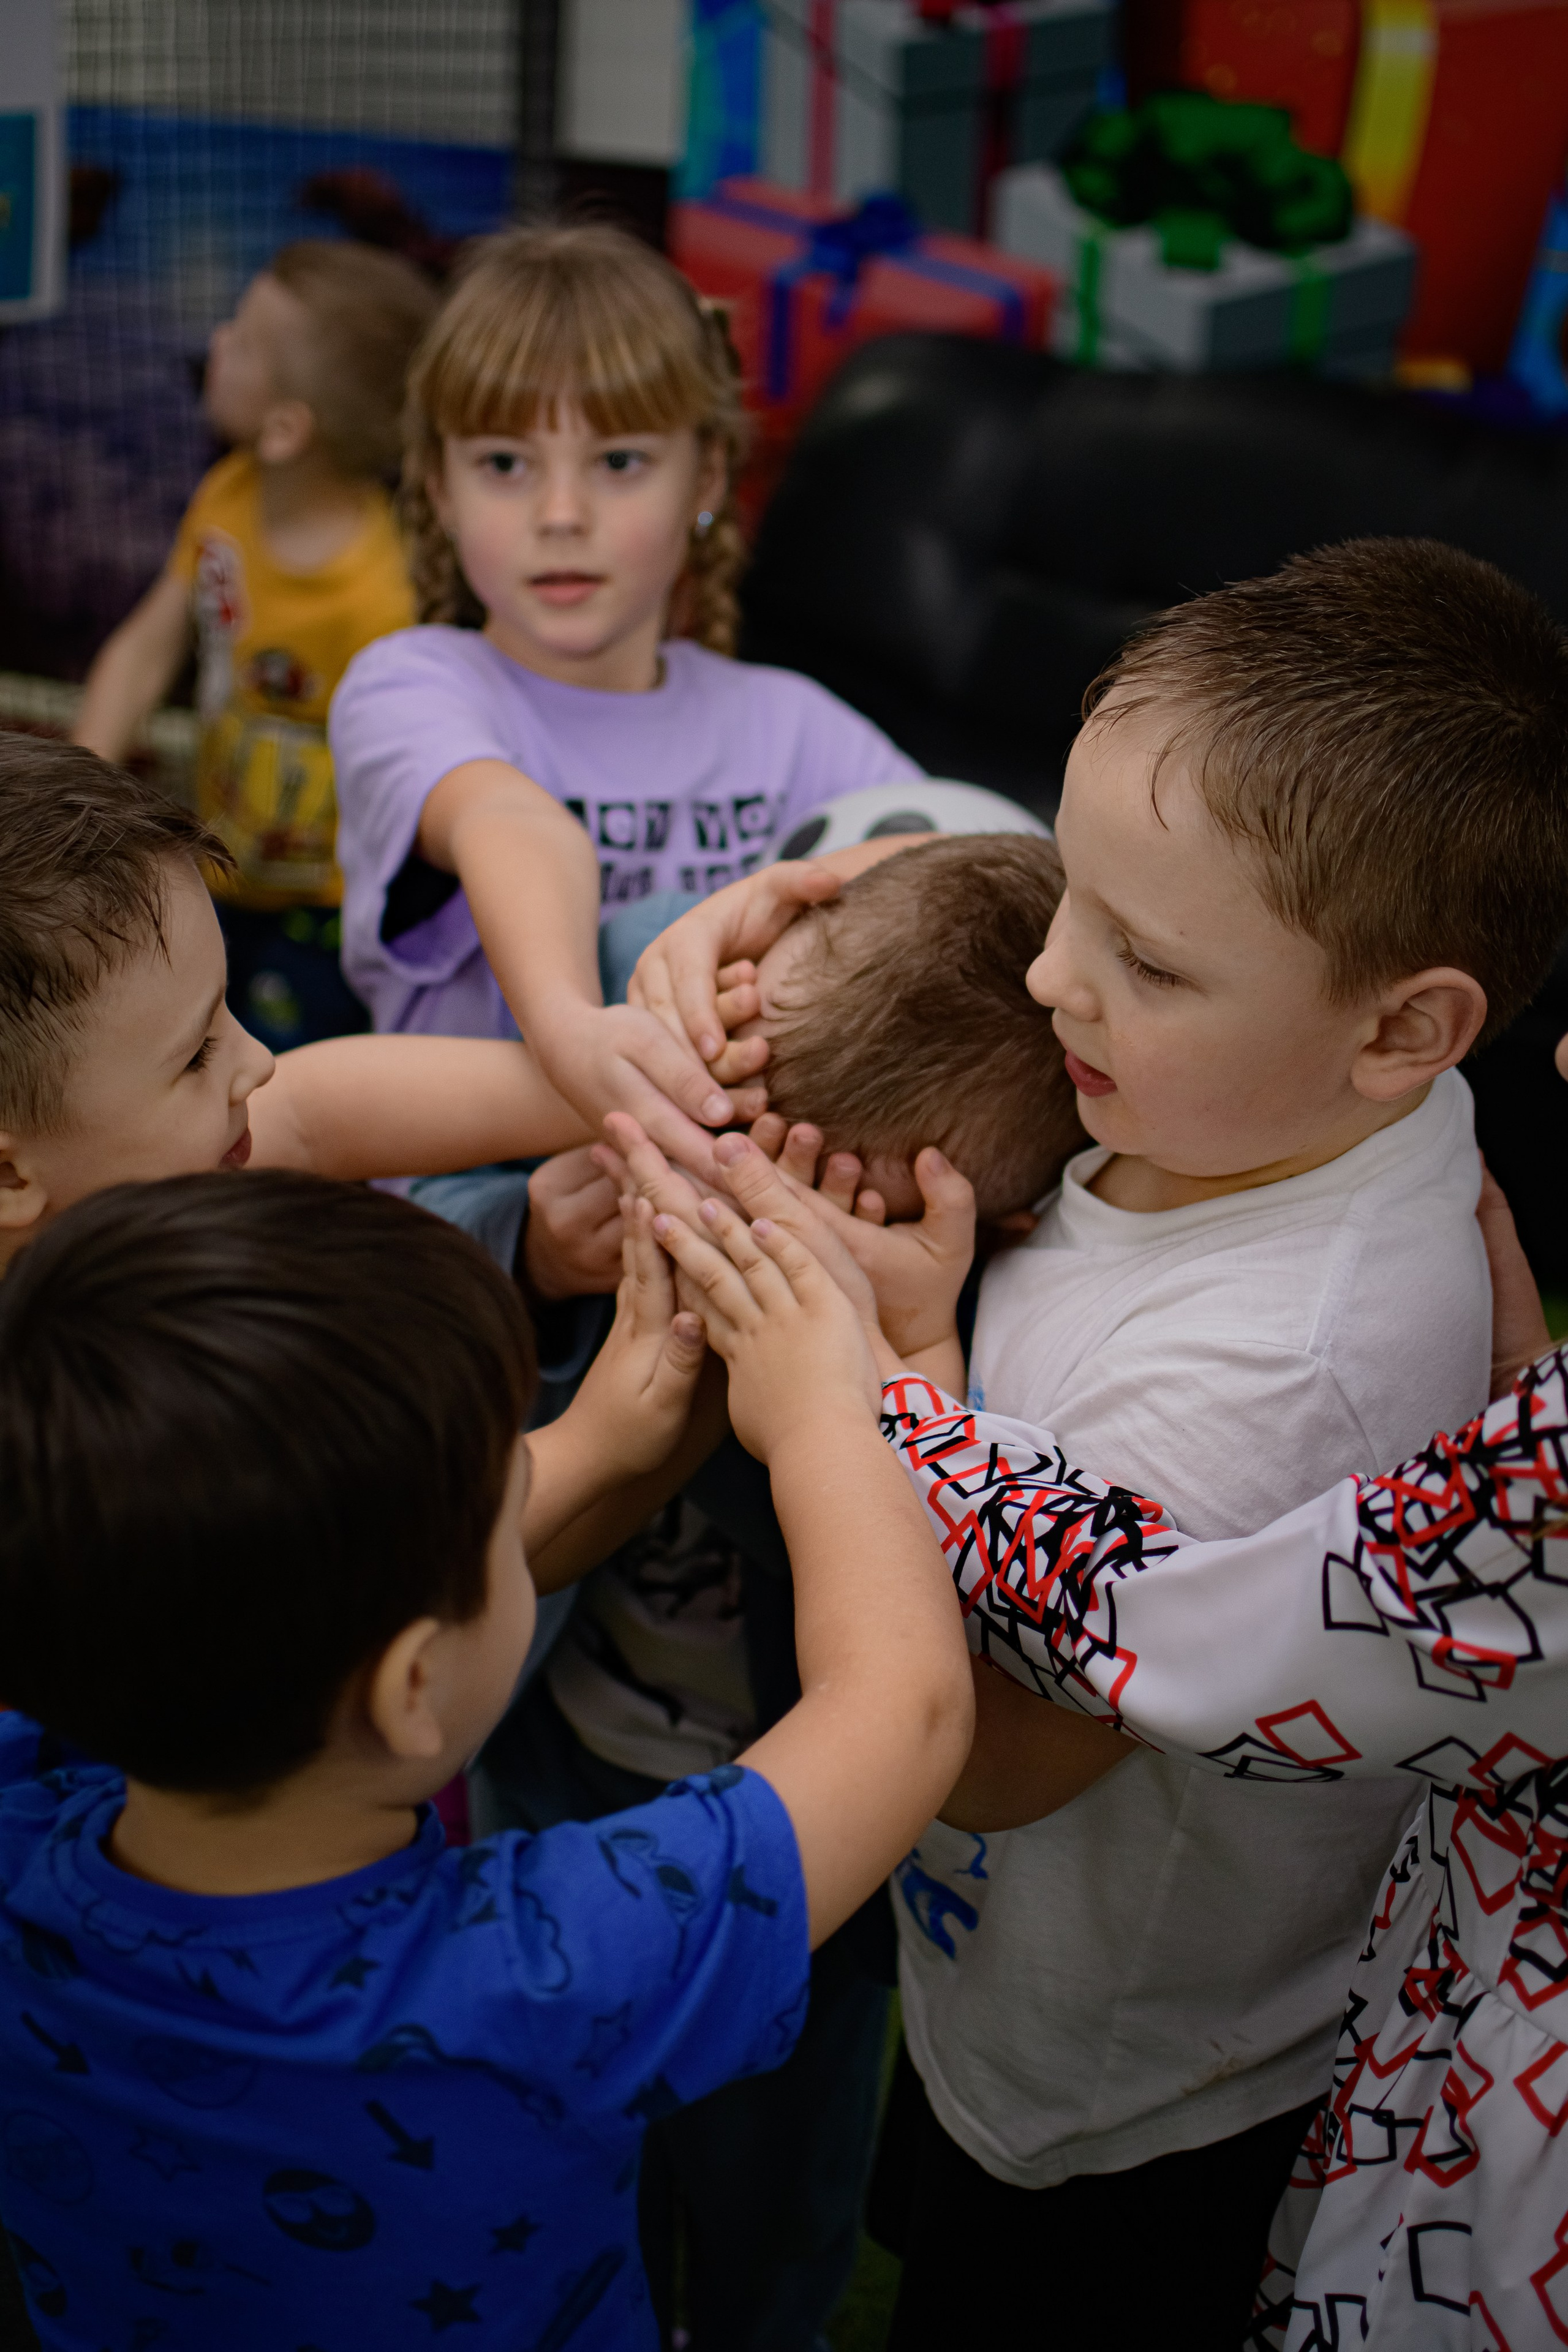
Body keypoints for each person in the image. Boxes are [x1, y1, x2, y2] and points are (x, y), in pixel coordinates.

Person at [617, 538, 1568, 2349]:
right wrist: (832, 893)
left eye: (1134, 954)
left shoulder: (1272, 1376)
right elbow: (1057, 886)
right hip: (1014, 1990)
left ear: (1400, 1029)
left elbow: (985, 1764)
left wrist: (886, 1378)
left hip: (1127, 2094)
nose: (1052, 975)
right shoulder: (1245, 1066)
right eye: (1069, 893)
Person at [0, 1166, 971, 2352]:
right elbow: (904, 1708)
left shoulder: (21, 1834)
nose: (533, 1507)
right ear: (411, 1689)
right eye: (513, 1505)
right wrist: (825, 1415)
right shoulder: (542, 1976)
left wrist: (600, 1437)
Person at [440, 832, 1080, 2350]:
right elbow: (408, 1228)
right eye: (722, 1152)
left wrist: (808, 1373)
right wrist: (532, 1248)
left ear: (977, 1234)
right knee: (550, 2143)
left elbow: (910, 1619)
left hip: (804, 1855)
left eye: (802, 1211)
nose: (728, 1222)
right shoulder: (657, 1019)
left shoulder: (998, 1330)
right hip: (551, 1750)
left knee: (769, 2201)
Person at [327, 221, 921, 1177]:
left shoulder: (788, 722)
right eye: (505, 465)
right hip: (457, 1224)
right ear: (438, 487)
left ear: (708, 479)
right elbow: (509, 820)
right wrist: (572, 1036)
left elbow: (969, 850)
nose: (562, 515)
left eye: (618, 462)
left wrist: (768, 902)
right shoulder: (412, 686)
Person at [0, 733, 615, 1260]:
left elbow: (312, 1112)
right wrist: (617, 1405)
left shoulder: (139, 1159)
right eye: (194, 1057)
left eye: (226, 1010)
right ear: (9, 1175)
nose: (261, 1062)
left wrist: (612, 1084)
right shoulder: (63, 1385)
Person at [74, 240, 437, 1051]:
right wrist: (78, 786)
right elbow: (145, 647)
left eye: (242, 337)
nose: (218, 342)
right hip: (219, 867)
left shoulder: (382, 599)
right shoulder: (228, 495)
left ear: (286, 427)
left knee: (289, 1076)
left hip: (329, 913)